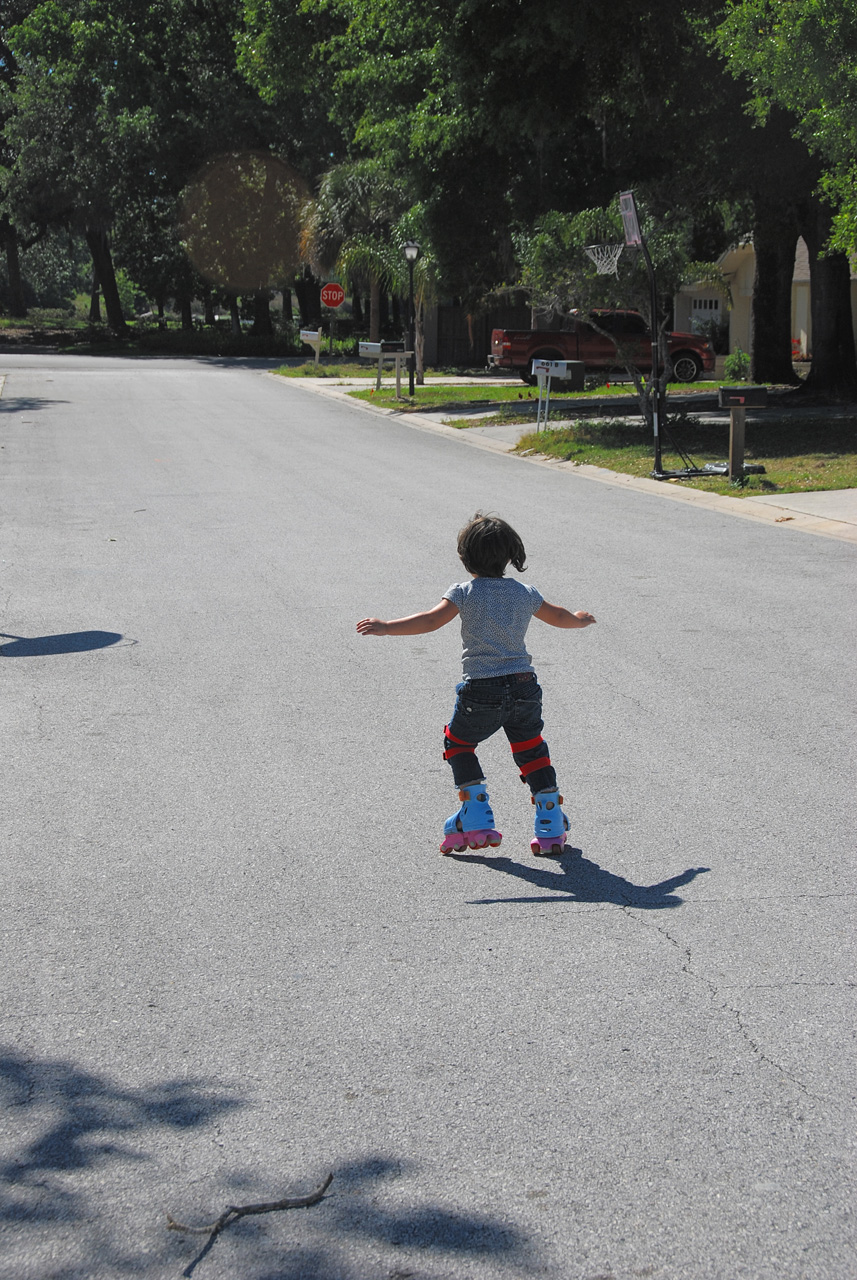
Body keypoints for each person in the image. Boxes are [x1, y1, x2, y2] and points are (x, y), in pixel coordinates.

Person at [356, 512, 596, 856]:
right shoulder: (523, 592)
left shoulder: (464, 592)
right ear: (510, 555)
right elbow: (558, 616)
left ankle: (477, 815)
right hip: (524, 687)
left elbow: (431, 620)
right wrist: (578, 620)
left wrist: (387, 626)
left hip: (481, 691)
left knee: (458, 744)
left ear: (465, 557)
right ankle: (550, 819)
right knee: (531, 750)